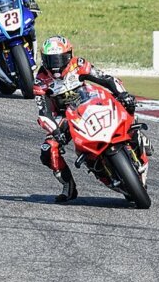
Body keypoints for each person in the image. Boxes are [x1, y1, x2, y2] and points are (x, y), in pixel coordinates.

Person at [34, 35, 148, 202]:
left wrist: (123, 94)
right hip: (64, 117)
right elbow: (43, 113)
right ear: (44, 60)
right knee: (48, 150)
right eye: (51, 60)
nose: (56, 65)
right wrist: (55, 131)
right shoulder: (40, 81)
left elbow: (106, 79)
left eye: (59, 59)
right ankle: (68, 186)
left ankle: (140, 139)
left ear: (69, 55)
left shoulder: (78, 65)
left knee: (126, 106)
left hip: (90, 103)